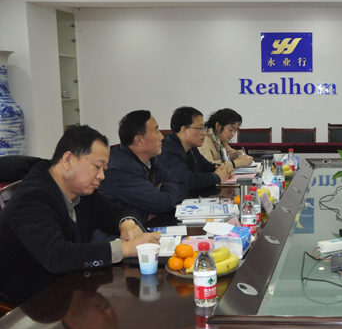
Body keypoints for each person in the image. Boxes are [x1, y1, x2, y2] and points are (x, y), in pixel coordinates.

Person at [0, 125, 160, 306]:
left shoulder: (81, 192)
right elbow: (57, 256)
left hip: (70, 288)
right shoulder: (32, 198)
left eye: (104, 168)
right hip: (31, 305)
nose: (102, 176)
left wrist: (127, 223)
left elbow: (114, 212)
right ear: (68, 160)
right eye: (97, 166)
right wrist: (125, 249)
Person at [98, 110, 185, 223]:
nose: (162, 137)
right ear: (139, 140)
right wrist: (158, 197)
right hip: (118, 231)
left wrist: (162, 190)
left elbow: (182, 188)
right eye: (156, 131)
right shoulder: (120, 169)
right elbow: (163, 204)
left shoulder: (150, 160)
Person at [157, 106, 232, 192]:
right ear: (184, 130)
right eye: (200, 128)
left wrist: (222, 168)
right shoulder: (169, 152)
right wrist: (217, 177)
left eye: (204, 128)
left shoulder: (191, 147)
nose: (204, 133)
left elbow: (205, 166)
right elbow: (189, 181)